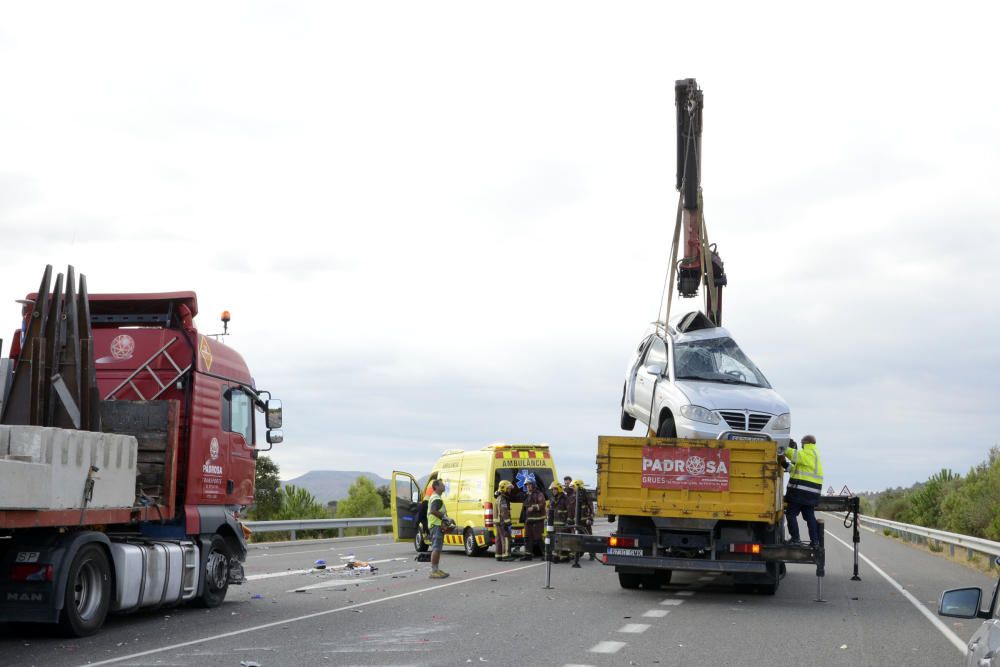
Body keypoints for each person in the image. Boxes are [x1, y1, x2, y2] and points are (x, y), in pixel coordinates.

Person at [784, 434, 824, 546]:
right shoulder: (814, 455)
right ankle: (815, 541)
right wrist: (784, 464)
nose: (801, 445)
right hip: (811, 494)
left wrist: (781, 446)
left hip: (801, 492)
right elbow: (795, 470)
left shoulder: (808, 452)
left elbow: (793, 454)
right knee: (809, 517)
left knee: (791, 514)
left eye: (802, 443)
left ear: (806, 442)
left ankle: (796, 539)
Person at [427, 479, 451, 578]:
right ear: (436, 487)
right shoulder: (436, 498)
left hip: (437, 525)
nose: (444, 486)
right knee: (436, 548)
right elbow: (433, 511)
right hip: (436, 526)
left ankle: (436, 569)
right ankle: (434, 571)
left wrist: (447, 520)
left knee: (438, 548)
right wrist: (445, 518)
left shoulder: (436, 497)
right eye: (442, 485)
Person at [520, 476, 546, 561]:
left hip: (537, 520)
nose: (528, 486)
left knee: (538, 538)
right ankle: (528, 555)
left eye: (529, 484)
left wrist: (534, 508)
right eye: (527, 485)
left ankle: (546, 555)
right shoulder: (526, 494)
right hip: (528, 520)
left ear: (534, 485)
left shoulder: (539, 494)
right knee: (527, 538)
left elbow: (542, 504)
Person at [569, 479, 596, 560]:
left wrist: (590, 518)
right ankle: (578, 553)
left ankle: (592, 554)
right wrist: (570, 519)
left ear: (578, 486)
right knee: (576, 538)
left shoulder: (586, 496)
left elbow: (590, 508)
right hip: (577, 522)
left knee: (588, 538)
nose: (573, 488)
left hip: (585, 523)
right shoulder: (573, 496)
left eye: (574, 487)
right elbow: (571, 509)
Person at [548, 481, 571, 562]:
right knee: (555, 540)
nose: (553, 491)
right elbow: (549, 510)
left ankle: (564, 557)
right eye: (553, 489)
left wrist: (568, 521)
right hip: (554, 524)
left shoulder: (565, 498)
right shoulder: (552, 499)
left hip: (563, 524)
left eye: (555, 489)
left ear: (559, 489)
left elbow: (569, 510)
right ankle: (556, 556)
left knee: (562, 541)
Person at [494, 480, 514, 561]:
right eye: (508, 488)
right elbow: (504, 511)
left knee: (498, 539)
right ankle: (506, 555)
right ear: (504, 488)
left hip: (498, 521)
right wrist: (507, 523)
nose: (510, 490)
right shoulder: (503, 499)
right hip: (502, 521)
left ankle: (498, 555)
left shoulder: (499, 498)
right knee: (505, 538)